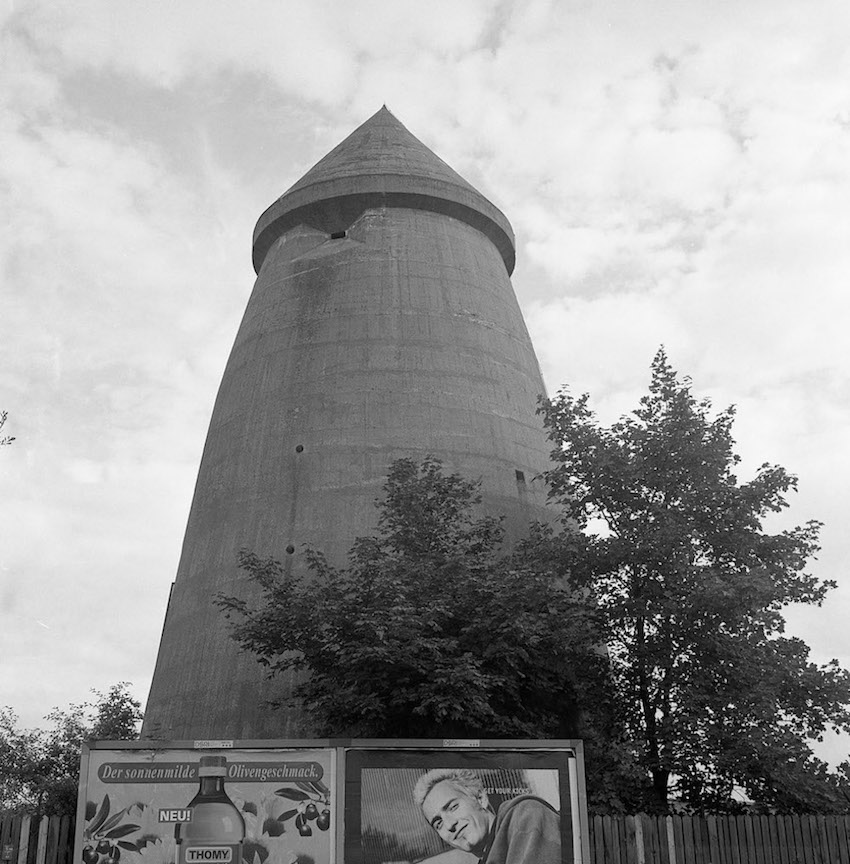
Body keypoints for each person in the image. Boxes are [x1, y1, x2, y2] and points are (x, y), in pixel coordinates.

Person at [412, 768, 562, 864]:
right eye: (438, 824)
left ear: (480, 798)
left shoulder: (527, 815)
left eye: (453, 807)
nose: (449, 825)